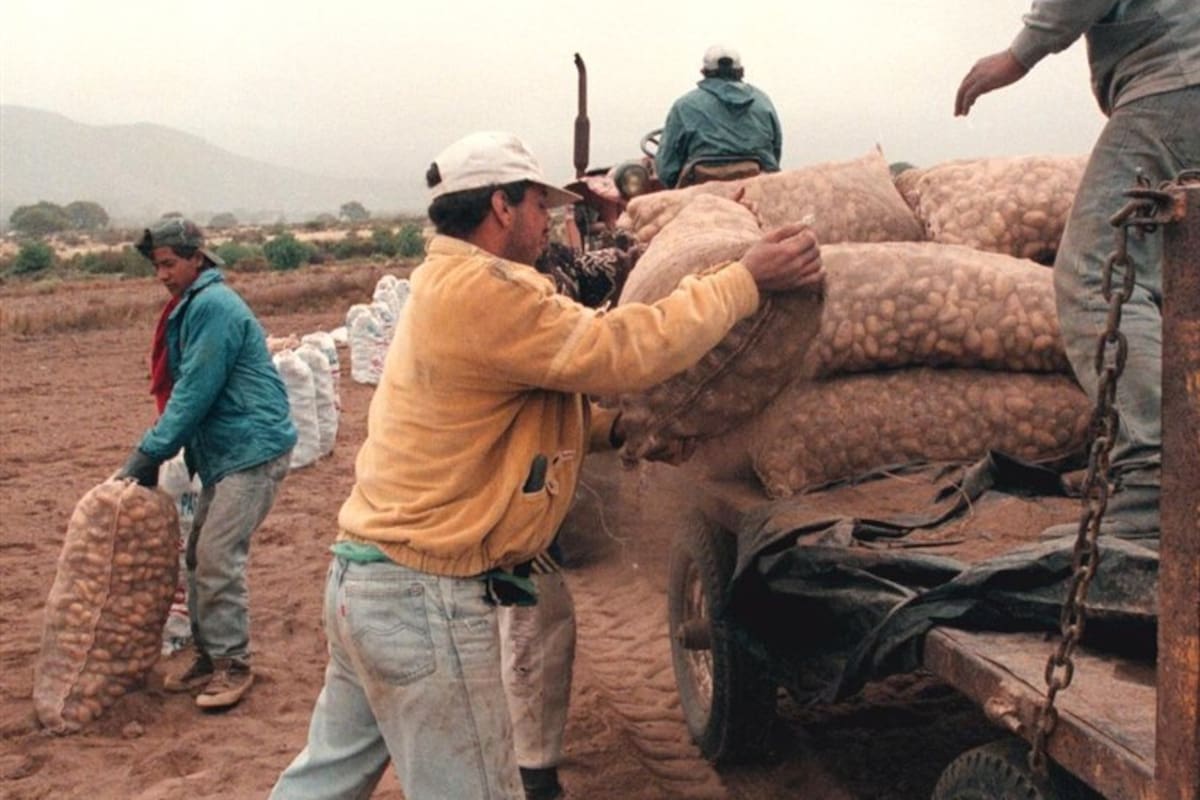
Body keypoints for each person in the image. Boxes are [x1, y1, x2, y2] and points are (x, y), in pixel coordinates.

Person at [269, 130, 823, 800]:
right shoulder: (487, 291)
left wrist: (619, 429)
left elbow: (515, 416)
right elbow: (618, 350)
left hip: (370, 580)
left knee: (324, 780)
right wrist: (743, 280)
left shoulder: (447, 283)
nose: (549, 222)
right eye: (539, 205)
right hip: (426, 596)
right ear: (501, 206)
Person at [956, 1, 1199, 538]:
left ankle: (1158, 476)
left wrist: (1018, 55)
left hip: (1177, 82)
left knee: (1096, 275)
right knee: (1177, 282)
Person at [116, 217, 297, 710]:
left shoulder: (214, 306)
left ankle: (233, 665)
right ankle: (209, 655)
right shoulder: (192, 305)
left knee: (217, 557)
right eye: (157, 266)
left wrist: (147, 454)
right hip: (225, 449)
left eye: (169, 264)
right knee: (197, 557)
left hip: (252, 448)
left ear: (197, 258)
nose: (162, 275)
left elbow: (194, 390)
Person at [655, 44, 783, 189]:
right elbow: (775, 152)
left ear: (704, 72)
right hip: (756, 189)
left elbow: (666, 168)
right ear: (741, 71)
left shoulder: (684, 106)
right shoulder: (763, 102)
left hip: (698, 193)